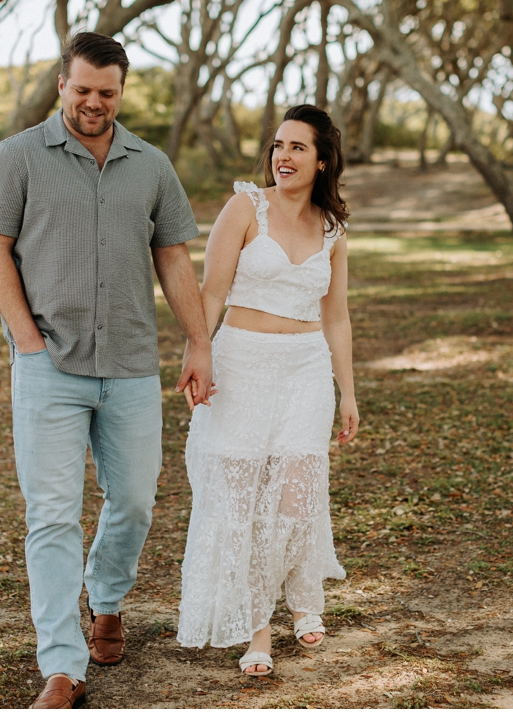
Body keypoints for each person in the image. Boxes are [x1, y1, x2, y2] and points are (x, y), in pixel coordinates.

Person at [0, 32, 213, 709]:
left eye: (106, 92)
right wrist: (26, 341)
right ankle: (63, 667)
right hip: (50, 363)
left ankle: (106, 599)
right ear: (60, 86)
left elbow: (175, 259)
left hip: (131, 365)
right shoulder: (18, 155)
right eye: (82, 90)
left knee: (133, 500)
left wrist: (199, 342)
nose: (93, 103)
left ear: (121, 92)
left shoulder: (151, 164)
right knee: (51, 516)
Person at [175, 105, 359, 677]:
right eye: (279, 145)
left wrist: (347, 393)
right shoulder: (245, 206)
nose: (283, 155)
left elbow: (337, 318)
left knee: (296, 494)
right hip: (242, 364)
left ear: (322, 159)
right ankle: (258, 630)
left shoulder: (332, 229)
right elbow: (210, 293)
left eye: (298, 147)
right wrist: (195, 355)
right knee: (243, 501)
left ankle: (303, 599)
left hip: (305, 369)